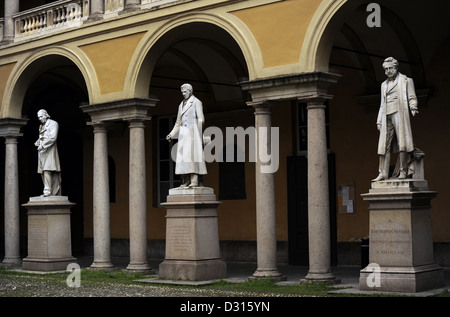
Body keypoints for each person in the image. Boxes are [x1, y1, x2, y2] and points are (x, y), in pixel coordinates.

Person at [372, 57, 418, 182]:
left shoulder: (406, 81)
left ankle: (403, 170)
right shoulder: (383, 85)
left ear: (396, 68)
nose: (388, 71)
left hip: (399, 113)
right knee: (383, 146)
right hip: (386, 115)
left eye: (390, 68)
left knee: (402, 143)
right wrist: (378, 120)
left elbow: (412, 97)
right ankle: (383, 173)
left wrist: (413, 106)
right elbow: (382, 103)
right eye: (386, 69)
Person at [166, 84, 207, 187]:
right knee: (183, 158)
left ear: (190, 91)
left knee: (192, 157)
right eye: (182, 92)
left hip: (193, 133)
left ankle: (194, 180)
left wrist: (198, 132)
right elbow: (178, 122)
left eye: (185, 92)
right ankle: (186, 180)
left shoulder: (196, 102)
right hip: (183, 134)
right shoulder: (181, 104)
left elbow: (201, 118)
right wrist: (171, 134)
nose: (183, 94)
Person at [35, 109, 61, 196]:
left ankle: (48, 190)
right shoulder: (41, 126)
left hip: (49, 150)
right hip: (42, 151)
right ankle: (47, 188)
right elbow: (42, 137)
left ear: (46, 115)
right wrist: (38, 142)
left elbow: (53, 137)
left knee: (47, 169)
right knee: (42, 171)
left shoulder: (53, 123)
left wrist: (43, 145)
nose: (40, 118)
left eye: (41, 116)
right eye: (38, 117)